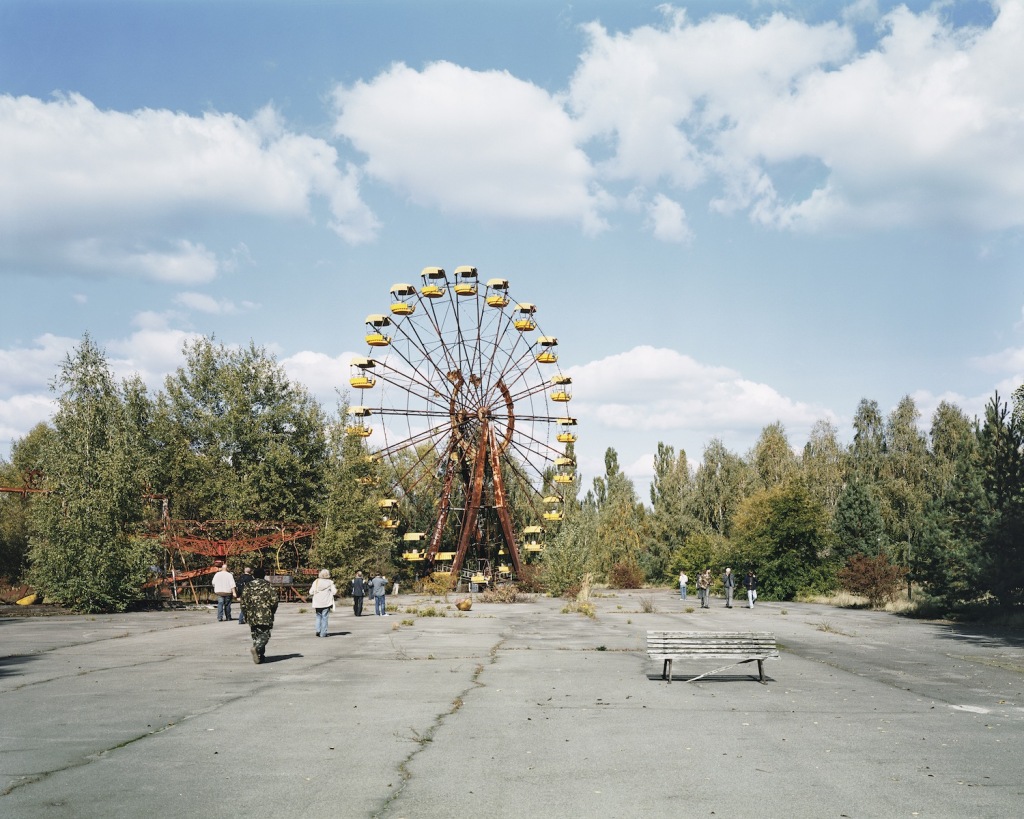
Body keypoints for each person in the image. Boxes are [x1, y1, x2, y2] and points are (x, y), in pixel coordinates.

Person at [240, 567, 278, 664]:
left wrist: (245, 614)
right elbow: (274, 601)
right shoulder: (268, 585)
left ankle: (260, 656)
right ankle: (256, 649)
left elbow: (243, 602)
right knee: (265, 634)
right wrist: (272, 611)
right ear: (263, 575)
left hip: (252, 615)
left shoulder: (248, 586)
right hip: (265, 614)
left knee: (256, 636)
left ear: (254, 575)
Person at [309, 569, 338, 637]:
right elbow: (334, 592)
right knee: (325, 617)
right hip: (326, 602)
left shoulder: (316, 582)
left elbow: (310, 592)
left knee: (318, 616)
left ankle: (318, 630)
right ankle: (323, 633)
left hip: (317, 602)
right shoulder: (330, 582)